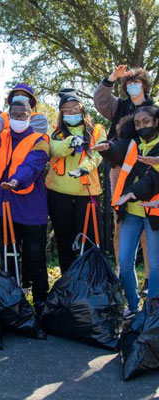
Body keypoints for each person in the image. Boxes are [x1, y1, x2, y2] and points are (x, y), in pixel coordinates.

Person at [0, 94, 49, 314]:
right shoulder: (3, 135)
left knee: (35, 255)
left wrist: (17, 181)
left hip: (30, 205)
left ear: (30, 116)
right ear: (9, 117)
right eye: (15, 115)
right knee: (8, 254)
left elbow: (33, 164)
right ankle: (10, 301)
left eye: (23, 115)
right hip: (4, 203)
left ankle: (40, 301)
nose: (19, 118)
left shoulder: (40, 139)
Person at [94, 66, 156, 293]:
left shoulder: (154, 111)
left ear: (145, 85)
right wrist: (111, 78)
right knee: (122, 221)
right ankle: (122, 274)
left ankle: (150, 280)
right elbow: (100, 101)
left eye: (136, 83)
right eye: (128, 84)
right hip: (120, 170)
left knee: (150, 225)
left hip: (148, 172)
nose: (132, 87)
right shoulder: (119, 106)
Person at [45, 89, 106, 273]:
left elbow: (97, 154)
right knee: (64, 242)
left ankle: (90, 282)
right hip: (59, 194)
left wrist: (84, 168)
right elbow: (54, 148)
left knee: (90, 242)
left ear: (82, 108)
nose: (71, 112)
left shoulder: (97, 130)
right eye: (66, 109)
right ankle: (68, 283)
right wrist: (69, 143)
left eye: (74, 108)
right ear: (61, 112)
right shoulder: (55, 131)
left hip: (86, 195)